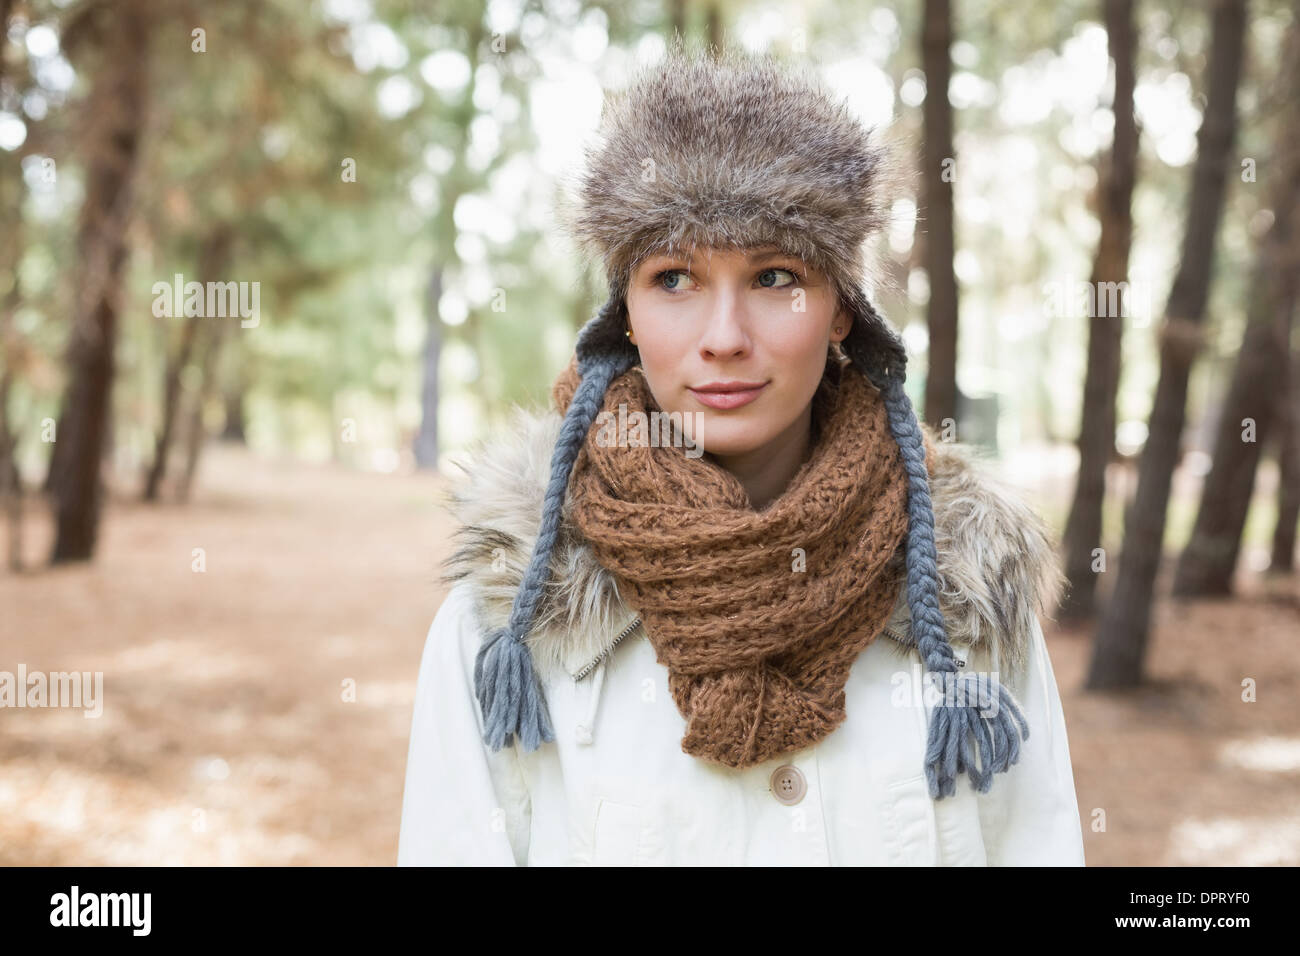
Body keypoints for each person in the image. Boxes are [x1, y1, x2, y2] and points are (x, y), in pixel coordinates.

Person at [397, 41, 1086, 866]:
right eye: (676, 279)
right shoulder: (512, 609)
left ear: (841, 311)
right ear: (624, 317)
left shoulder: (969, 593)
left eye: (773, 278)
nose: (724, 339)